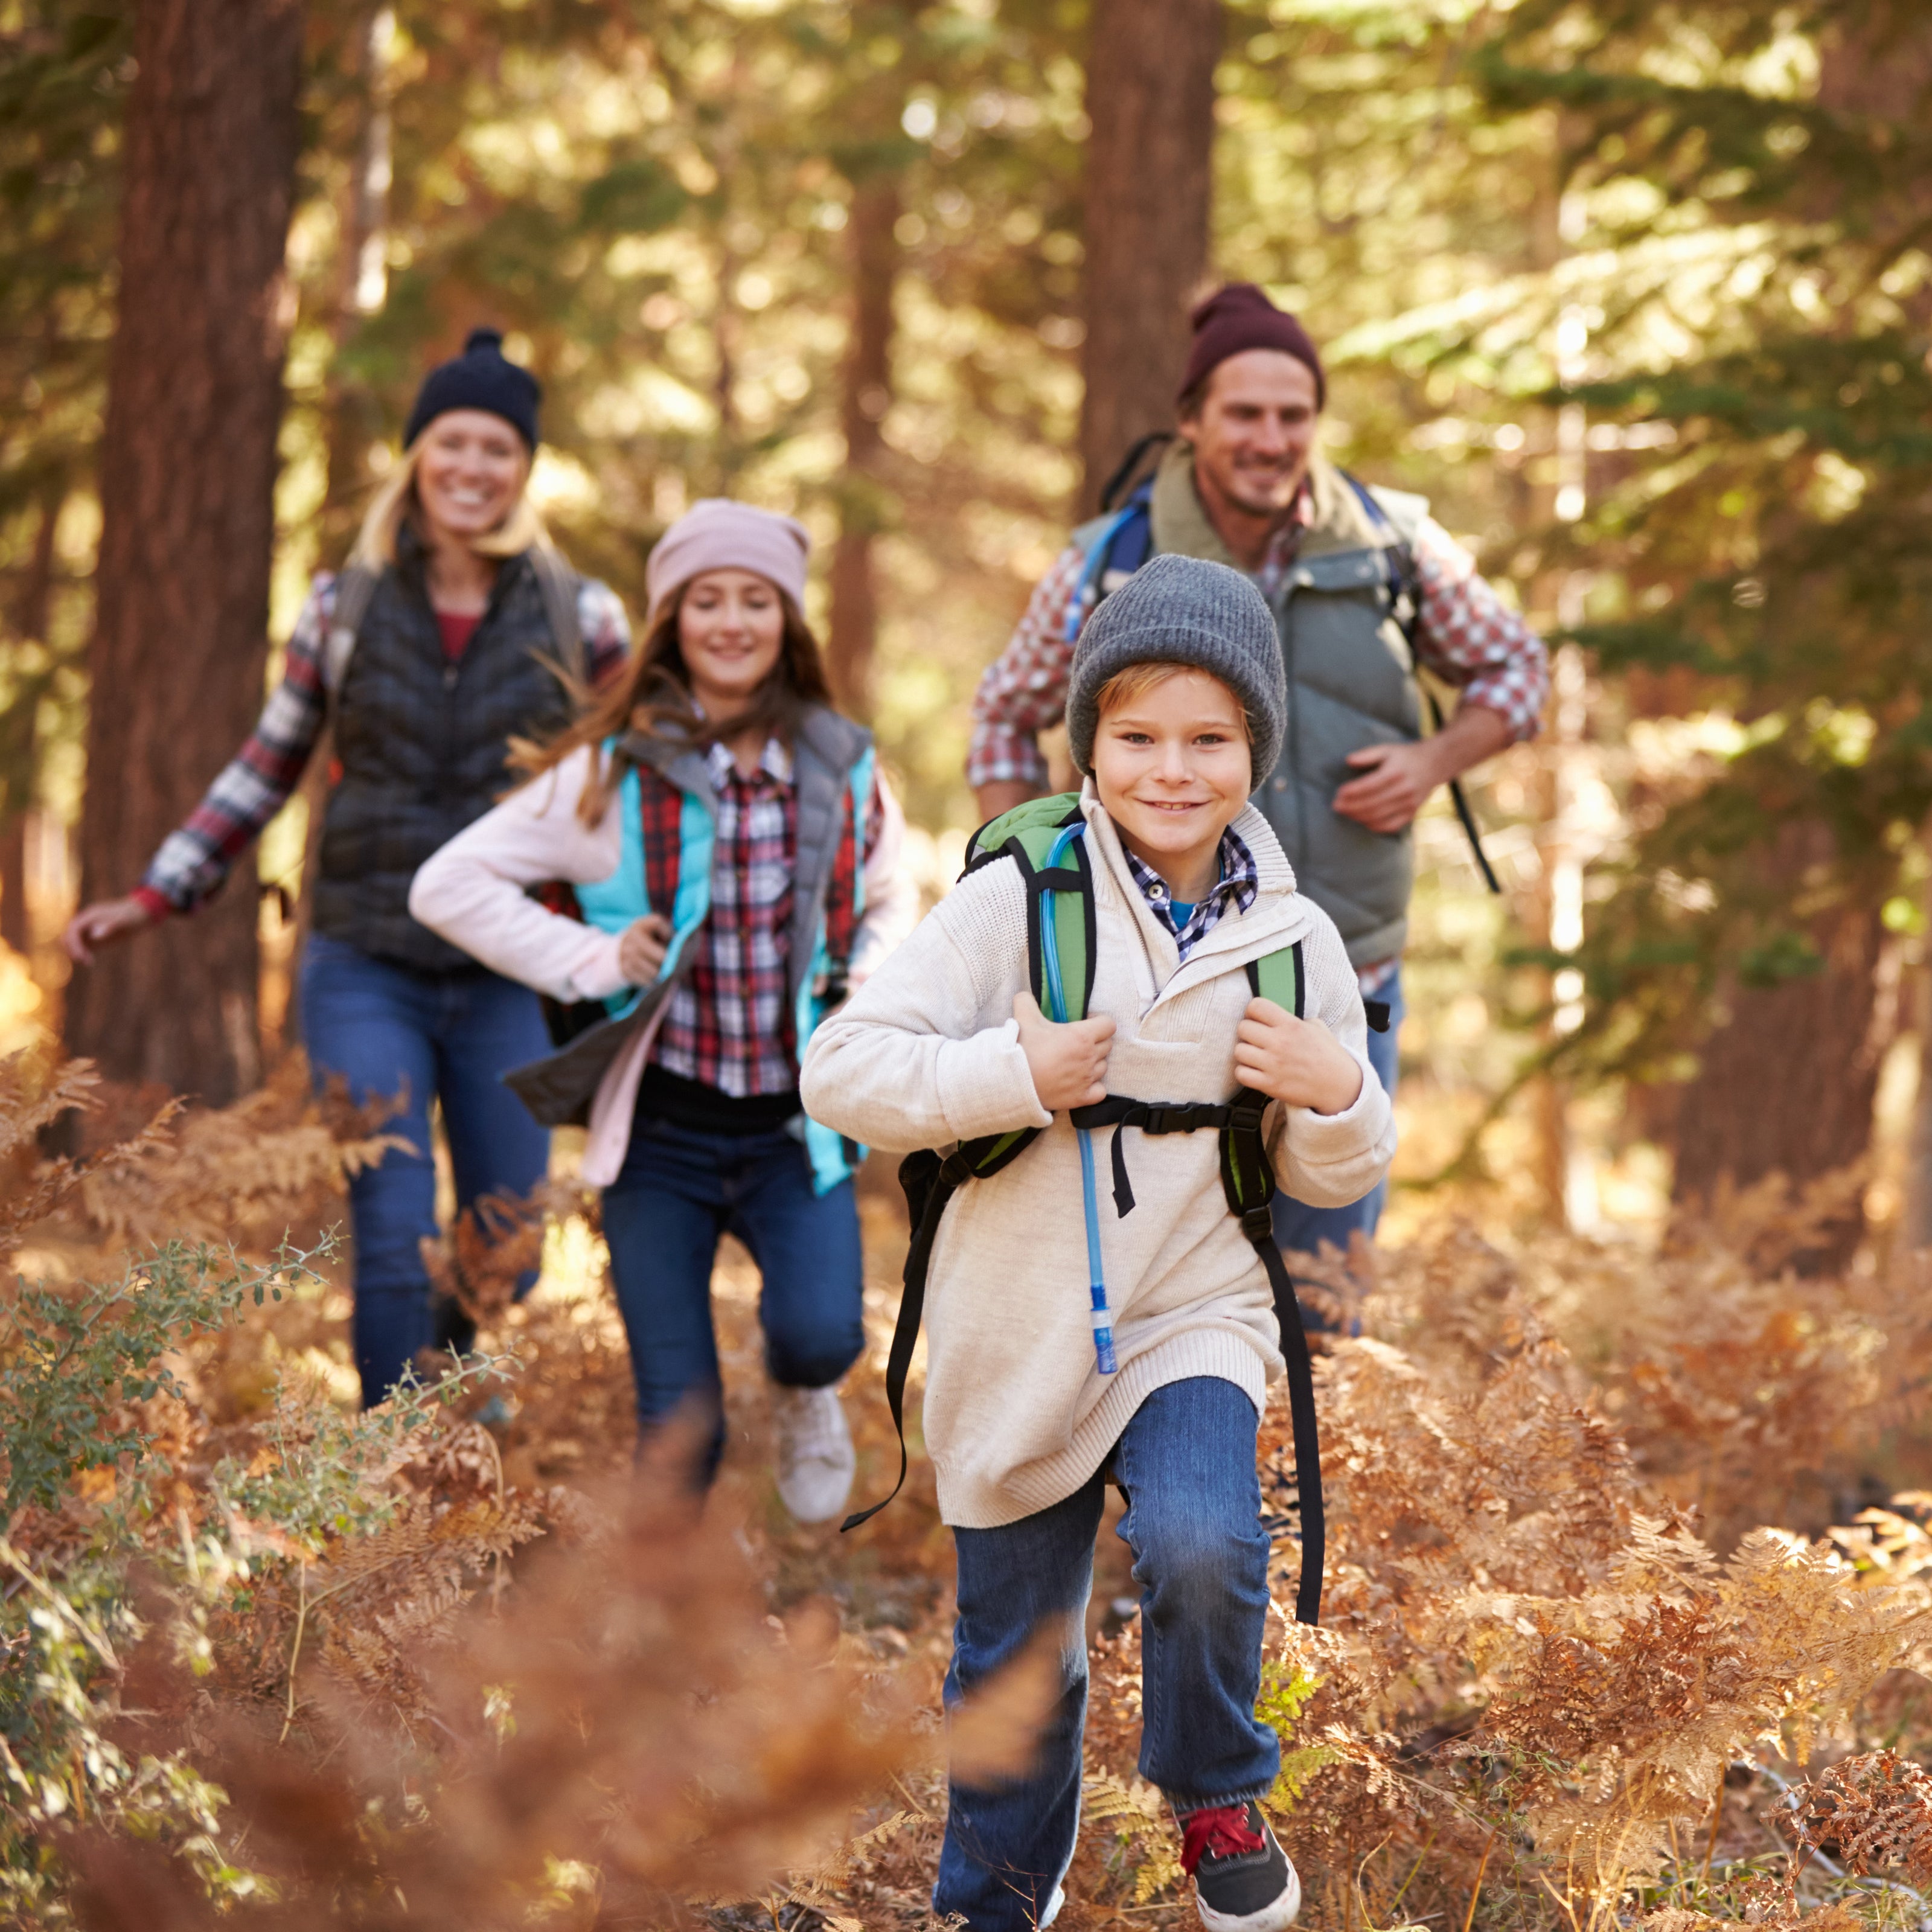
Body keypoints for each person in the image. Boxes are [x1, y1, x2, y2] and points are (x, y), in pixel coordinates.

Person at [802, 555, 1395, 1931]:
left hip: (1195, 1307)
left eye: (1209, 739)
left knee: (1204, 1539)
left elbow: (1329, 1165)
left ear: (1256, 747)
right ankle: (995, 1906)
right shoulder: (1017, 900)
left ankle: (1215, 1793)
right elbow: (842, 1067)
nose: (1172, 771)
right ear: (1089, 746)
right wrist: (1012, 1075)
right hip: (1017, 1325)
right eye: (1137, 737)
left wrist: (1338, 1091)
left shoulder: (1296, 940)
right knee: (1020, 1666)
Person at [63, 328, 632, 1407]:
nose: (473, 468)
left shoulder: (582, 614)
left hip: (512, 966)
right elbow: (265, 767)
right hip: (366, 962)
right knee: (390, 1221)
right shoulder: (344, 607)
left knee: (507, 1237)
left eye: (499, 448)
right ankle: (384, 1467)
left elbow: (643, 782)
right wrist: (157, 892)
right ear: (417, 456)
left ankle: (457, 1415)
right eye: (453, 442)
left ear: (524, 468)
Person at [969, 283, 1547, 1259]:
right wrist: (1024, 878)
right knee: (1156, 1268)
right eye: (1245, 413)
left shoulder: (1392, 546)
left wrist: (1432, 759)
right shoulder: (1112, 563)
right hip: (1145, 988)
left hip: (1346, 971)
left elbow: (1518, 667)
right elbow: (1001, 715)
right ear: (1192, 421)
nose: (1272, 439)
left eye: (1294, 415)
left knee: (1328, 1269)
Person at [409, 500, 917, 1523]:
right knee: (680, 1424)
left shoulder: (840, 761)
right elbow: (447, 886)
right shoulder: (611, 771)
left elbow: (888, 894)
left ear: (788, 619)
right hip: (659, 1141)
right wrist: (594, 957)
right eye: (705, 601)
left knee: (821, 1336)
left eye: (756, 600)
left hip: (795, 1131)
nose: (731, 622)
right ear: (671, 622)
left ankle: (804, 1391)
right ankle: (663, 1609)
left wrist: (868, 977)